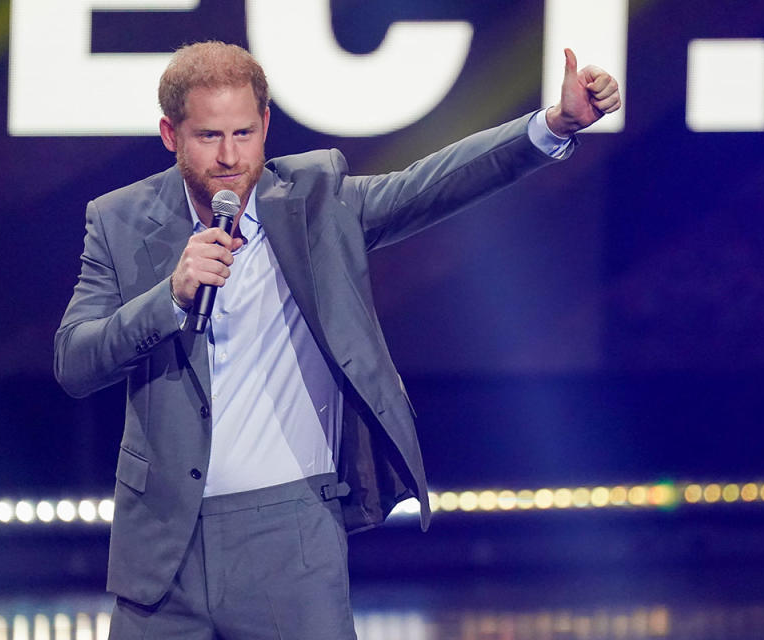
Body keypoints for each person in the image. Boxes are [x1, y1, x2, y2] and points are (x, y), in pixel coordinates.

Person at [55, 40, 619, 640]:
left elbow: (432, 184)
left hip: (292, 536)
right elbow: (75, 360)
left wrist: (553, 126)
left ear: (266, 125)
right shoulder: (117, 220)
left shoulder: (316, 200)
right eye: (209, 137)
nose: (229, 156)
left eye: (245, 133)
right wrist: (168, 297)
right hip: (163, 549)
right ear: (171, 134)